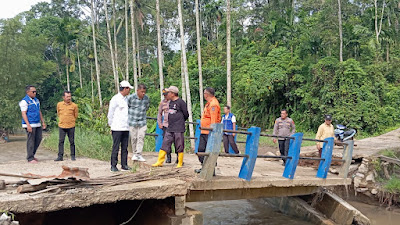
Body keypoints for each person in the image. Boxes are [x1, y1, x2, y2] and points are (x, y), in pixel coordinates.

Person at [152, 86, 188, 168]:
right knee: (165, 143)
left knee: (179, 145)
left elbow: (186, 114)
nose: (168, 94)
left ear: (173, 93)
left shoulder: (181, 102)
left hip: (178, 127)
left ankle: (180, 162)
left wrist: (180, 120)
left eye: (169, 93)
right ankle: (160, 161)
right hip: (170, 127)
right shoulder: (170, 102)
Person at [108, 81, 134, 172]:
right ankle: (113, 165)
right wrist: (111, 125)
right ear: (125, 88)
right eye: (128, 89)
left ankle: (124, 164)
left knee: (125, 147)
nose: (129, 91)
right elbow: (110, 113)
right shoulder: (115, 99)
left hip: (126, 127)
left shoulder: (127, 99)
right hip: (117, 127)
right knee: (116, 147)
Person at [195, 87, 221, 173]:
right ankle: (205, 167)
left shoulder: (213, 104)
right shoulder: (209, 103)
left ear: (206, 94)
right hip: (204, 131)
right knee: (202, 150)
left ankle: (210, 169)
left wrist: (212, 131)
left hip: (208, 132)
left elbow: (213, 120)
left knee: (204, 150)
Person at [19, 85, 46, 163]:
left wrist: (43, 121)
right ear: (28, 92)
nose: (35, 93)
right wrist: (28, 125)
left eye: (35, 91)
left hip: (37, 123)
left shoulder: (36, 100)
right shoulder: (24, 101)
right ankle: (30, 157)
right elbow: (23, 113)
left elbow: (39, 111)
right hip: (30, 123)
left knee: (38, 138)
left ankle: (32, 155)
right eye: (33, 92)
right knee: (31, 140)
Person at [128, 84, 150, 162]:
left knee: (141, 137)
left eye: (144, 92)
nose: (143, 93)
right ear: (137, 91)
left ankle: (139, 154)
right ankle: (135, 153)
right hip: (132, 121)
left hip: (142, 121)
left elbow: (147, 107)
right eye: (141, 92)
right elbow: (127, 107)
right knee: (134, 138)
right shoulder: (131, 98)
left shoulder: (146, 99)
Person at [55, 91, 79, 161]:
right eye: (67, 96)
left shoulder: (74, 105)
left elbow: (76, 115)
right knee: (61, 141)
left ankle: (73, 156)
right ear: (63, 97)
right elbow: (58, 113)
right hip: (62, 125)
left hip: (71, 126)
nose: (69, 98)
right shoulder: (59, 104)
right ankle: (60, 156)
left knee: (72, 141)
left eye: (70, 96)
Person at [157, 89, 173, 163]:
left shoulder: (173, 101)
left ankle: (179, 158)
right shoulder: (162, 103)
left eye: (166, 94)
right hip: (166, 125)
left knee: (177, 142)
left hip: (174, 125)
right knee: (166, 142)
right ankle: (168, 157)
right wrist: (160, 123)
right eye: (164, 95)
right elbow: (159, 113)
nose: (165, 96)